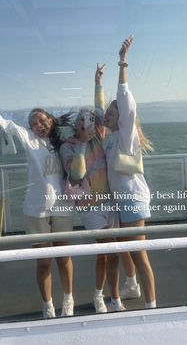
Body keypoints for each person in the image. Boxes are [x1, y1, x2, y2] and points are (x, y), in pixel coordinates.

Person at [60, 66, 125, 313]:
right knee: (104, 249)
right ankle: (100, 296)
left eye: (90, 120)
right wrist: (82, 145)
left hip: (109, 202)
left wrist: (98, 81)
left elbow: (100, 108)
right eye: (82, 121)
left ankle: (113, 296)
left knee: (114, 252)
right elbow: (75, 174)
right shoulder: (68, 147)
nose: (88, 123)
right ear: (76, 126)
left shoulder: (100, 135)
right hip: (90, 208)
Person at [0, 109, 74, 318]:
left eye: (42, 120)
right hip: (36, 210)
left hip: (63, 208)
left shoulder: (64, 143)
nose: (39, 125)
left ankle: (68, 299)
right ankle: (48, 305)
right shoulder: (29, 139)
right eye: (34, 123)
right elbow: (7, 125)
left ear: (50, 120)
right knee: (43, 262)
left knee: (63, 257)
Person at [103, 37, 156, 309]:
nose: (107, 115)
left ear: (121, 118)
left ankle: (151, 307)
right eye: (108, 113)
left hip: (133, 200)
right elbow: (103, 107)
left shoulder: (126, 135)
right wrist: (98, 84)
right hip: (118, 203)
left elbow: (124, 100)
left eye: (111, 112)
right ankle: (129, 289)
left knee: (139, 255)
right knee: (122, 250)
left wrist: (122, 62)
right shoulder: (110, 139)